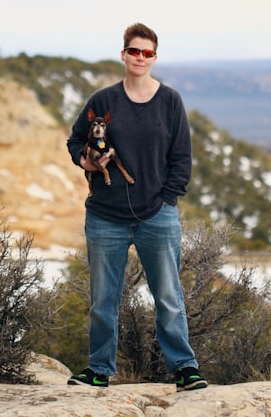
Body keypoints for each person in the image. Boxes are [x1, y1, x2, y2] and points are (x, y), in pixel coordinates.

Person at [65, 23, 207, 391]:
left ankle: (184, 369)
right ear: (123, 54)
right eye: (134, 51)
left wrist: (166, 201)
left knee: (169, 297)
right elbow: (75, 140)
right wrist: (88, 162)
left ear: (154, 58)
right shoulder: (103, 101)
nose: (140, 58)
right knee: (102, 301)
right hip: (105, 217)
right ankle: (99, 370)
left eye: (147, 53)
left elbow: (182, 159)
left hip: (157, 216)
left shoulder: (170, 101)